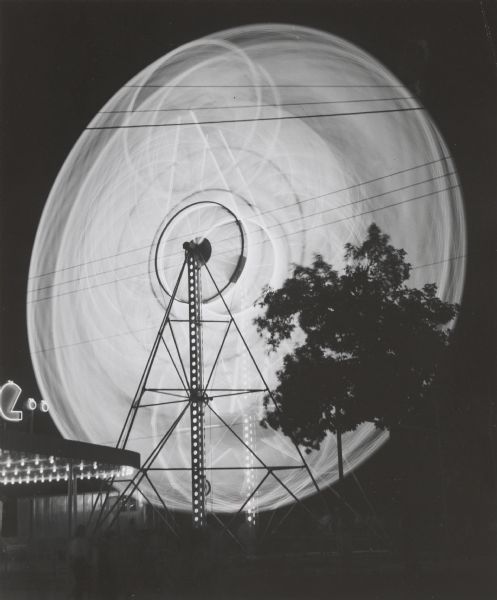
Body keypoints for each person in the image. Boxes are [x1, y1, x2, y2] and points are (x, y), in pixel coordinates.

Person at [68, 524, 91, 600]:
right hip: (81, 562)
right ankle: (77, 596)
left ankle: (76, 596)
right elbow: (85, 553)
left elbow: (71, 553)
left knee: (78, 580)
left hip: (74, 562)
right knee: (81, 581)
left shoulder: (73, 541)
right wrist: (88, 563)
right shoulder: (82, 541)